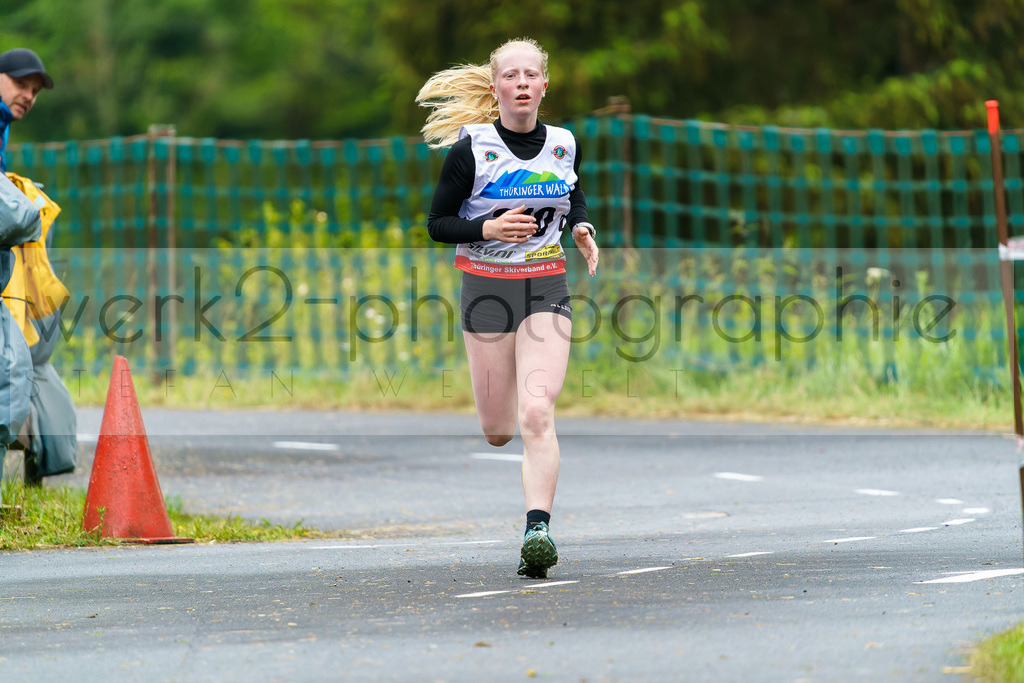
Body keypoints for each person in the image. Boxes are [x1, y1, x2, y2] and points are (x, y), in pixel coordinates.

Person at [418, 37, 599, 579]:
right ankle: (510, 395)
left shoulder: (565, 144)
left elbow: (572, 192)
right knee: (498, 430)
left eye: (531, 75)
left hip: (545, 287)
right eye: (510, 75)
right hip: (487, 291)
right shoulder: (470, 150)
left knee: (536, 414)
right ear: (494, 86)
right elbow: (437, 225)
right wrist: (487, 229)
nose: (521, 83)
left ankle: (537, 530)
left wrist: (583, 226)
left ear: (545, 85)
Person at [0, 49, 76, 488]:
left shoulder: (2, 127)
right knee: (13, 370)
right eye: (20, 83)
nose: (28, 95)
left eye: (34, 90)